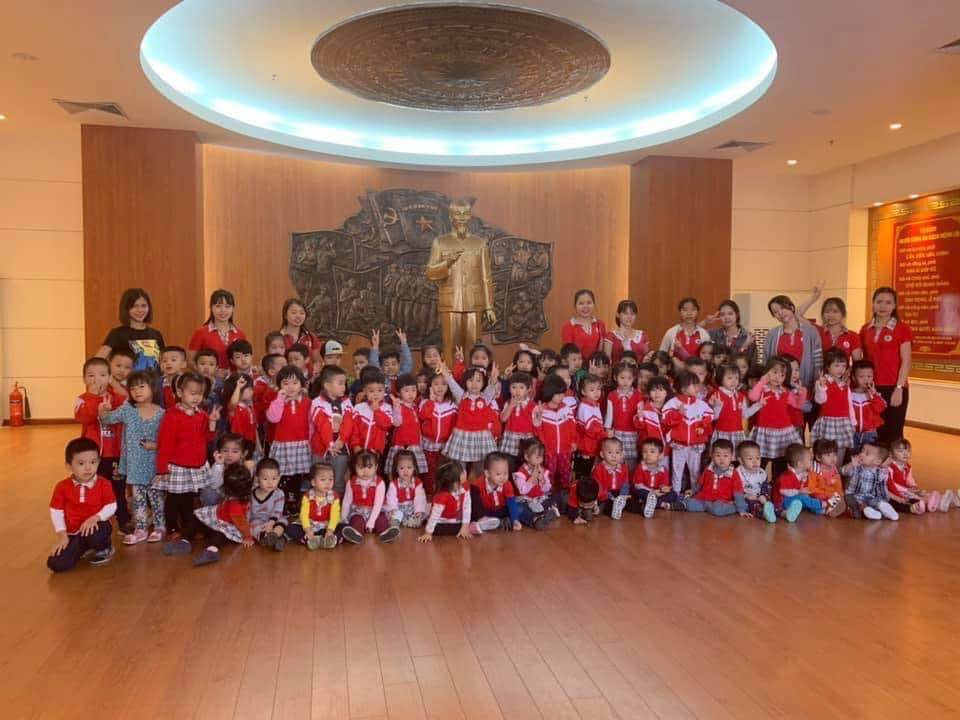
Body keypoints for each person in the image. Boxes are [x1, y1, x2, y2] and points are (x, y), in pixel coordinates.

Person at [98, 370, 165, 544]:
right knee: (138, 499)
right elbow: (107, 420)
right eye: (133, 388)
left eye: (142, 386)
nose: (137, 391)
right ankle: (141, 528)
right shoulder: (127, 410)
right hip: (135, 465)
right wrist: (103, 410)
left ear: (152, 388)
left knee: (156, 498)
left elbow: (169, 441)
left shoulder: (162, 413)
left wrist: (155, 446)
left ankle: (160, 527)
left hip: (155, 465)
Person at [155, 372, 220, 539]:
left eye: (200, 393)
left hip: (196, 465)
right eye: (192, 393)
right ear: (179, 392)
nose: (196, 397)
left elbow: (208, 438)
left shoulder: (202, 414)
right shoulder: (172, 415)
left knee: (189, 498)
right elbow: (165, 444)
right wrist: (162, 469)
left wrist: (212, 422)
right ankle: (172, 527)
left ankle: (188, 526)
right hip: (178, 467)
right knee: (174, 498)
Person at [163, 464, 255, 566]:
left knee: (218, 535)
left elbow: (241, 523)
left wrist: (247, 536)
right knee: (196, 517)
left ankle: (211, 550)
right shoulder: (240, 493)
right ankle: (185, 541)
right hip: (215, 517)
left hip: (225, 526)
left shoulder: (235, 505)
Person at [47, 437, 117, 572]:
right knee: (56, 563)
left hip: (98, 527)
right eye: (81, 463)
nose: (88, 468)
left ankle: (104, 547)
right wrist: (62, 536)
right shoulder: (62, 487)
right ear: (68, 466)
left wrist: (95, 518)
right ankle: (83, 547)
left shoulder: (104, 483)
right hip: (74, 533)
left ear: (98, 462)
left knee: (95, 536)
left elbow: (111, 506)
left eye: (93, 462)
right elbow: (56, 512)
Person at [74, 357, 126, 528]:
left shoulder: (118, 399)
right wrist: (93, 400)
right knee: (95, 488)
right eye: (91, 376)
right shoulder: (82, 400)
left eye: (102, 375)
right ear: (84, 379)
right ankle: (97, 521)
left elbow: (127, 412)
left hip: (116, 453)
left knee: (118, 488)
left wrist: (112, 411)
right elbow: (82, 418)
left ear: (110, 378)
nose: (97, 380)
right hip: (93, 457)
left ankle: (123, 519)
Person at [860, 287, 912, 443]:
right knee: (875, 432)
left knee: (894, 432)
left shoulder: (902, 329)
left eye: (888, 302)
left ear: (894, 306)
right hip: (871, 388)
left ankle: (895, 460)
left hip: (894, 387)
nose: (883, 306)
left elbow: (906, 360)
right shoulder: (865, 329)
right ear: (873, 304)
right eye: (879, 302)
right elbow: (862, 360)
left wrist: (899, 388)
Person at [266, 365, 312, 516]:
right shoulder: (278, 401)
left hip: (302, 444)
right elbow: (273, 418)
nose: (291, 387)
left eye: (295, 383)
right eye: (286, 383)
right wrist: (279, 399)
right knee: (283, 475)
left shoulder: (307, 402)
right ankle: (282, 502)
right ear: (279, 385)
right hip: (284, 444)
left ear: (301, 384)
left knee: (299, 475)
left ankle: (295, 501)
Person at [748, 356, 805, 478]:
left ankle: (778, 484)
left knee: (781, 461)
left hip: (783, 431)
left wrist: (802, 394)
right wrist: (762, 381)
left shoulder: (785, 392)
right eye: (774, 372)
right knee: (761, 459)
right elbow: (752, 397)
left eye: (782, 375)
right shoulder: (763, 389)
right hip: (765, 430)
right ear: (767, 372)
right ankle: (756, 482)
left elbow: (797, 405)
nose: (777, 377)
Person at [441, 365, 500, 471]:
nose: (474, 384)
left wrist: (494, 380)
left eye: (478, 380)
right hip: (462, 436)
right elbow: (452, 384)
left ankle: (478, 482)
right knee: (459, 466)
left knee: (480, 467)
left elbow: (491, 387)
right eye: (471, 380)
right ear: (465, 382)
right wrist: (446, 374)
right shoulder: (461, 395)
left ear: (483, 383)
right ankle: (462, 481)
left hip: (481, 437)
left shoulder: (485, 397)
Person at [662, 370, 714, 494]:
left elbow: (710, 415)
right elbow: (665, 420)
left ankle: (695, 494)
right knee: (677, 471)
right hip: (679, 445)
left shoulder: (701, 404)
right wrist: (678, 414)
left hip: (696, 445)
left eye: (697, 384)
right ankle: (675, 494)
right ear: (683, 388)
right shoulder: (673, 403)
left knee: (695, 471)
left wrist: (703, 426)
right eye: (694, 385)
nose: (697, 387)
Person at [763, 294, 823, 399]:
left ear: (791, 307)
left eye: (782, 308)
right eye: (776, 312)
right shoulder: (772, 335)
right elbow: (766, 361)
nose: (780, 313)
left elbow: (818, 361)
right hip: (779, 391)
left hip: (805, 388)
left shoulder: (811, 331)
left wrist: (816, 384)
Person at [96, 288, 166, 373]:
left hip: (155, 381)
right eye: (135, 306)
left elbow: (164, 362)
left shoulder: (156, 334)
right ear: (126, 308)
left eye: (144, 306)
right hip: (127, 381)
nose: (140, 310)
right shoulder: (117, 334)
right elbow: (97, 362)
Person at [309, 365, 354, 494]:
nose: (344, 387)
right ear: (327, 385)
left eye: (344, 383)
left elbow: (349, 422)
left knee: (338, 482)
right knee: (319, 481)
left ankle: (336, 505)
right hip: (321, 449)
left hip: (341, 449)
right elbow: (322, 424)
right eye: (340, 383)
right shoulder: (317, 402)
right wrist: (329, 443)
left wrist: (341, 440)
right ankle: (319, 505)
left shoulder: (346, 402)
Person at [535, 375, 577, 509]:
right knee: (549, 474)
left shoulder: (566, 408)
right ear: (550, 392)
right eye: (558, 394)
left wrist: (573, 441)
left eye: (562, 394)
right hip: (549, 451)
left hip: (565, 450)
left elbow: (572, 426)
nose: (561, 397)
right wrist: (543, 447)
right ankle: (549, 501)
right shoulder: (541, 409)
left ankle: (564, 502)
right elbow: (538, 430)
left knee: (565, 473)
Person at [340, 450, 400, 544]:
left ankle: (385, 533)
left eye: (369, 467)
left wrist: (371, 522)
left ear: (376, 467)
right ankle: (355, 534)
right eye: (361, 467)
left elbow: (378, 505)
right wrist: (343, 519)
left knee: (381, 521)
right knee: (357, 521)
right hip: (359, 511)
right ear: (355, 467)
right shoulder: (351, 483)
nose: (365, 471)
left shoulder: (380, 483)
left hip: (376, 511)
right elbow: (346, 502)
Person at [682, 440, 749, 518]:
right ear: (712, 456)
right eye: (718, 455)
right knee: (690, 505)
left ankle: (734, 507)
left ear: (732, 457)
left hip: (721, 501)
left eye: (725, 456)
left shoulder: (733, 473)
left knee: (717, 510)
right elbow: (700, 484)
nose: (722, 459)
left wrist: (742, 509)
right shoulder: (708, 469)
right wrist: (693, 491)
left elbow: (738, 492)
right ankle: (708, 507)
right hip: (704, 499)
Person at [811, 349, 856, 463]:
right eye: (836, 365)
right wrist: (821, 387)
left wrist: (853, 422)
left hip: (843, 423)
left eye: (843, 366)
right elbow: (820, 400)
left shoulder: (845, 384)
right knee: (826, 453)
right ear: (828, 366)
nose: (841, 369)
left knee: (839, 454)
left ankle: (837, 473)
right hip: (828, 423)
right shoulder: (822, 382)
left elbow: (849, 404)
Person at [887, 438, 954, 513]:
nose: (905, 454)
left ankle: (941, 500)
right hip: (897, 492)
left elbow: (909, 479)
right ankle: (934, 503)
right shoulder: (890, 467)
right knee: (914, 496)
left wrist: (913, 486)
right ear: (891, 454)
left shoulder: (907, 466)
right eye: (901, 451)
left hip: (906, 489)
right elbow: (891, 483)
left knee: (921, 493)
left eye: (908, 451)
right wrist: (906, 490)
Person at [188, 289, 246, 374]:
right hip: (209, 380)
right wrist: (210, 373)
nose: (223, 310)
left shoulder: (240, 334)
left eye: (227, 306)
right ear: (211, 308)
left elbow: (244, 360)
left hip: (235, 380)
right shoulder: (200, 333)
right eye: (218, 306)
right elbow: (190, 361)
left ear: (233, 308)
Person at [419, 371, 457, 497]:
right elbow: (423, 416)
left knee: (444, 471)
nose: (440, 387)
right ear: (430, 386)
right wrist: (431, 401)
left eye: (444, 384)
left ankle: (442, 495)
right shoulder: (425, 402)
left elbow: (455, 424)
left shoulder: (451, 404)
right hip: (428, 445)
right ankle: (429, 496)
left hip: (445, 446)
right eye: (436, 384)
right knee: (429, 472)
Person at [418, 461, 476, 541]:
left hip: (457, 519)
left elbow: (467, 507)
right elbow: (435, 514)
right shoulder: (442, 496)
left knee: (466, 523)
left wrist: (465, 526)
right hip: (442, 522)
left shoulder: (465, 486)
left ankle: (467, 527)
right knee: (438, 529)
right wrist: (428, 532)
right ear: (455, 483)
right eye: (462, 472)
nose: (465, 471)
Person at [385, 374, 429, 478]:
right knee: (396, 472)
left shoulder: (415, 407)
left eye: (413, 390)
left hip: (415, 445)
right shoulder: (398, 406)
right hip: (401, 444)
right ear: (398, 393)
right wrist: (396, 408)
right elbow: (396, 422)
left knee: (414, 473)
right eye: (406, 390)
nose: (411, 394)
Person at [512, 438, 560, 530]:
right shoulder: (520, 473)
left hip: (539, 499)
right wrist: (532, 479)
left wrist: (542, 479)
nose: (540, 460)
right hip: (526, 501)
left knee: (556, 497)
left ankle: (546, 514)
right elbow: (522, 491)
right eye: (537, 457)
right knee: (518, 508)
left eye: (541, 457)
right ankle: (535, 519)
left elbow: (546, 490)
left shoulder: (542, 470)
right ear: (527, 457)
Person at [842, 442, 899, 521]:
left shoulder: (879, 472)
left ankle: (882, 507)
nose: (861, 454)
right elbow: (843, 471)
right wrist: (851, 464)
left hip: (869, 497)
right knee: (852, 504)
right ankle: (868, 511)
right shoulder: (855, 467)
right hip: (854, 496)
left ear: (877, 462)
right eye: (862, 451)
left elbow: (882, 487)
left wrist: (884, 499)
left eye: (867, 454)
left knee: (875, 501)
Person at [294, 462, 341, 550]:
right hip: (311, 524)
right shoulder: (307, 496)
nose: (327, 483)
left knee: (342, 526)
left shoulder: (335, 497)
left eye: (330, 479)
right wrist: (308, 529)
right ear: (313, 482)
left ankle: (330, 539)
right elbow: (304, 515)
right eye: (323, 480)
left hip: (327, 525)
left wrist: (330, 530)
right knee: (291, 529)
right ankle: (310, 539)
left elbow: (335, 515)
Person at [709, 364, 755, 453]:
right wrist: (718, 406)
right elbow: (714, 417)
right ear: (720, 378)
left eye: (736, 378)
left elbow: (745, 414)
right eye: (729, 378)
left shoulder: (741, 396)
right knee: (722, 457)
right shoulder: (716, 395)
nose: (734, 381)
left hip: (738, 432)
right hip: (722, 433)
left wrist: (758, 405)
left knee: (737, 457)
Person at [772, 444, 823, 523]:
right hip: (782, 502)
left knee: (807, 497)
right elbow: (783, 491)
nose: (812, 462)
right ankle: (822, 504)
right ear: (800, 464)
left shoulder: (802, 473)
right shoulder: (787, 475)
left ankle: (820, 510)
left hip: (793, 499)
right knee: (803, 498)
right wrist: (799, 491)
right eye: (810, 460)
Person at [470, 452, 520, 532]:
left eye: (505, 473)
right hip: (485, 512)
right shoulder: (478, 485)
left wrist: (515, 520)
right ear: (487, 473)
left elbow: (511, 502)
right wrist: (481, 516)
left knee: (518, 508)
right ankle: (499, 522)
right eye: (498, 474)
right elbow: (476, 505)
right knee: (473, 512)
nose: (503, 477)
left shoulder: (507, 484)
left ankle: (532, 519)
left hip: (501, 510)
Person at [605, 363, 642, 471]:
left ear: (633, 379)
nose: (625, 381)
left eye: (629, 378)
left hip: (632, 433)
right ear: (615, 377)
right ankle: (618, 479)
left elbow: (640, 416)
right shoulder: (611, 395)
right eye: (622, 378)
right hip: (617, 432)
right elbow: (609, 415)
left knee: (631, 459)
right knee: (616, 459)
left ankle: (630, 479)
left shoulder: (638, 395)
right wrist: (607, 430)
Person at [349, 369, 394, 455]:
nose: (376, 394)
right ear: (365, 391)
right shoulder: (359, 408)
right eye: (371, 391)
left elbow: (387, 425)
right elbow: (354, 430)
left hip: (376, 453)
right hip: (358, 451)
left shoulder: (387, 408)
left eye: (380, 390)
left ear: (384, 390)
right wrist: (356, 445)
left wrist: (377, 411)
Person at [629, 438, 678, 516]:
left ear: (660, 455)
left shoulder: (663, 470)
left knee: (673, 494)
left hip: (657, 493)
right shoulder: (640, 468)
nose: (648, 454)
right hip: (645, 492)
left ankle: (649, 504)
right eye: (645, 452)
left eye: (652, 452)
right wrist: (651, 492)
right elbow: (638, 485)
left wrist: (664, 488)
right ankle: (662, 505)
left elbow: (663, 485)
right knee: (638, 494)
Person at [659, 297, 711, 370]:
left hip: (698, 373)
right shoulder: (671, 332)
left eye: (693, 309)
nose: (689, 313)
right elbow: (661, 356)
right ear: (680, 312)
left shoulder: (703, 334)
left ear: (697, 312)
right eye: (685, 310)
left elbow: (708, 358)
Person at [249, 458, 288, 551]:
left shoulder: (279, 493)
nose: (270, 482)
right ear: (257, 478)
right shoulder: (250, 494)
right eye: (265, 479)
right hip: (258, 520)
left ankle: (274, 536)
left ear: (279, 478)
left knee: (282, 522)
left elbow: (277, 511)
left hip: (274, 519)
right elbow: (247, 512)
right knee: (254, 528)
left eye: (274, 479)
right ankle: (273, 539)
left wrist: (271, 522)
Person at [498, 371, 536, 465]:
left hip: (526, 439)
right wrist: (511, 406)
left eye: (521, 387)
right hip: (510, 439)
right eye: (514, 387)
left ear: (528, 389)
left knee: (524, 463)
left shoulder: (532, 405)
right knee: (509, 463)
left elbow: (536, 424)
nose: (517, 391)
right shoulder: (508, 403)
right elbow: (503, 419)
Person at [850, 360, 886, 453]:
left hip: (870, 433)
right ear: (854, 378)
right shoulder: (850, 394)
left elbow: (880, 409)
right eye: (861, 377)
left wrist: (873, 395)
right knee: (852, 455)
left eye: (869, 376)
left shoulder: (875, 395)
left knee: (869, 455)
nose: (866, 380)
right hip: (853, 432)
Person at [385, 450, 428, 528]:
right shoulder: (393, 484)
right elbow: (391, 498)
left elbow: (419, 498)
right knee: (396, 514)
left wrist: (418, 511)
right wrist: (393, 509)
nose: (405, 471)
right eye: (401, 468)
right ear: (396, 469)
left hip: (412, 507)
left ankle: (412, 521)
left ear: (414, 468)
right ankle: (396, 522)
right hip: (399, 507)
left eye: (409, 467)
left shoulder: (418, 483)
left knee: (424, 511)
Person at [735, 440, 776, 523]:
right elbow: (736, 490)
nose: (755, 461)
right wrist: (747, 496)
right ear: (741, 460)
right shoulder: (738, 473)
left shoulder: (761, 472)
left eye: (758, 458)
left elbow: (765, 487)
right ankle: (764, 514)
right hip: (746, 498)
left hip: (761, 497)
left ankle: (784, 513)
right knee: (753, 505)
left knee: (769, 488)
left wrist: (764, 496)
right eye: (750, 459)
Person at [808, 439, 848, 518]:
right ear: (818, 457)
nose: (833, 458)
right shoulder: (814, 470)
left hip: (830, 497)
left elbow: (838, 488)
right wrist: (827, 494)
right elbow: (811, 489)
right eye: (828, 455)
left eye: (835, 454)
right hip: (817, 496)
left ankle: (830, 510)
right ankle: (827, 509)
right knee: (815, 502)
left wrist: (839, 496)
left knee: (840, 497)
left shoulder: (834, 471)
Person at [561, 289, 607, 358]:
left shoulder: (600, 324)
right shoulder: (568, 326)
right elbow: (568, 355)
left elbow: (603, 351)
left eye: (589, 303)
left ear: (594, 304)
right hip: (577, 364)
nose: (585, 306)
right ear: (575, 306)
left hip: (597, 363)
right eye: (581, 303)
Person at [592, 437, 630, 519]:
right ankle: (612, 508)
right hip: (605, 494)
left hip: (618, 493)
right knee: (605, 504)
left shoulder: (623, 468)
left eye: (617, 452)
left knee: (632, 501)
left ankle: (620, 505)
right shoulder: (599, 469)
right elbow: (598, 486)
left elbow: (625, 483)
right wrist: (610, 496)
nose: (614, 456)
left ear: (622, 454)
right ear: (602, 454)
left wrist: (623, 495)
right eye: (610, 452)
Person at [602, 299, 649, 365]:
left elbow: (647, 361)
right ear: (618, 314)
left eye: (632, 314)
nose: (629, 317)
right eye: (625, 313)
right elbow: (607, 363)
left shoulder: (643, 335)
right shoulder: (610, 336)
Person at [816, 297, 862, 361]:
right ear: (822, 315)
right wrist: (814, 297)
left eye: (835, 311)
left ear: (843, 314)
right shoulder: (817, 332)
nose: (831, 315)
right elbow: (800, 316)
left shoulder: (853, 336)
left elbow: (857, 362)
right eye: (827, 312)